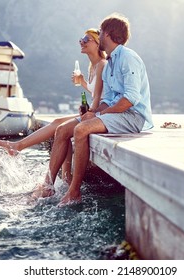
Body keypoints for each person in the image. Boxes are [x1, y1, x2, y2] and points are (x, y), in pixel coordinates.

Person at [33, 13, 153, 206]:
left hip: (132, 116)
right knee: (62, 130)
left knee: (81, 129)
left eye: (101, 31)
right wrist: (94, 112)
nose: (99, 35)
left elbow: (130, 99)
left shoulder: (128, 58)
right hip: (117, 113)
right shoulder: (111, 62)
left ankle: (74, 191)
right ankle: (48, 185)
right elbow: (108, 99)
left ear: (108, 34)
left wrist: (99, 114)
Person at [0, 28, 106, 183]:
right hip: (94, 111)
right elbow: (96, 92)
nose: (81, 42)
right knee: (58, 123)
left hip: (100, 114)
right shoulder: (92, 67)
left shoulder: (102, 64)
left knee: (61, 127)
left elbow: (100, 97)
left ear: (97, 43)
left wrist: (90, 112)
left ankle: (18, 147)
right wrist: (82, 82)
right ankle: (65, 177)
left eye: (86, 39)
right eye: (81, 39)